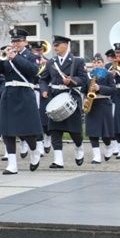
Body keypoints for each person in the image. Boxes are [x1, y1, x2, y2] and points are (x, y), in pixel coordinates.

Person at [0, 28, 42, 174]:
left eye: (18, 41)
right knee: (7, 131)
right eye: (13, 41)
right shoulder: (6, 56)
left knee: (28, 130)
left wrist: (15, 57)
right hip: (9, 95)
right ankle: (12, 164)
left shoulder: (32, 56)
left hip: (25, 94)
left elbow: (33, 70)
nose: (15, 43)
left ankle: (34, 152)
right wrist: (2, 57)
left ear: (25, 42)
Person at [39, 35, 88, 168]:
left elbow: (84, 79)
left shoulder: (77, 61)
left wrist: (73, 81)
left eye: (57, 45)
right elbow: (43, 79)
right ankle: (58, 160)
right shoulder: (51, 62)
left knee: (75, 131)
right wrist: (44, 90)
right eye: (54, 45)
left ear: (65, 45)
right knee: (55, 130)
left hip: (71, 96)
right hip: (55, 97)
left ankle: (79, 147)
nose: (55, 47)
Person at [84, 53, 116, 163]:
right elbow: (84, 89)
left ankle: (108, 146)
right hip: (92, 105)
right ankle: (96, 157)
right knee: (93, 133)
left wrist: (99, 87)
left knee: (106, 134)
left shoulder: (108, 74)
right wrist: (84, 98)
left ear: (103, 63)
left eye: (98, 62)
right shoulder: (88, 75)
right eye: (94, 62)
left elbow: (113, 90)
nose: (96, 65)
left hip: (104, 104)